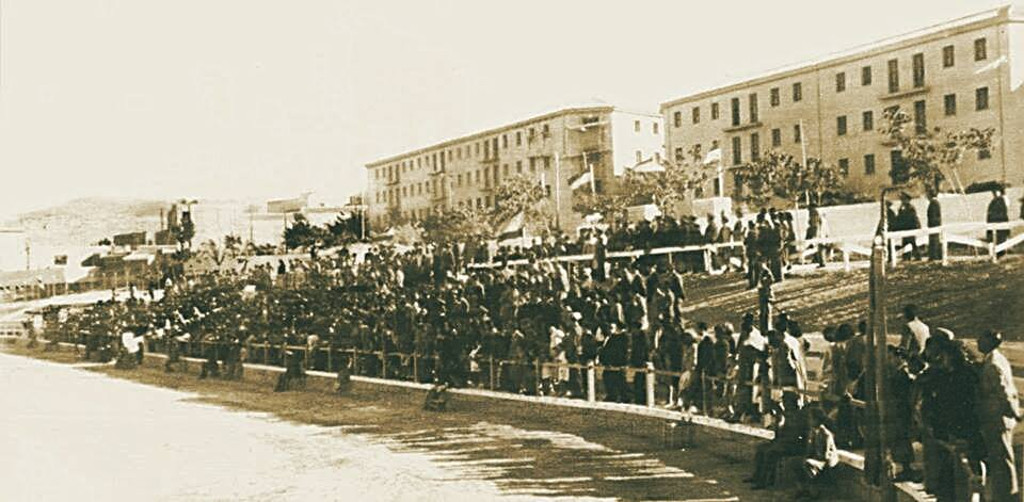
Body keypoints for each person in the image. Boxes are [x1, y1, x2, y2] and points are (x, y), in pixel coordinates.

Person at [976, 330, 1020, 502]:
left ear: (989, 342)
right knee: (1000, 459)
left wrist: (1013, 413)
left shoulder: (993, 363)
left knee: (1002, 459)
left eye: (981, 339)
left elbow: (1004, 392)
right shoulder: (994, 359)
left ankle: (1008, 496)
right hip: (996, 416)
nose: (978, 342)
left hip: (998, 417)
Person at [987, 189, 1010, 257]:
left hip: (1000, 221)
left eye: (996, 192)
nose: (994, 193)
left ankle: (999, 253)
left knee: (1000, 238)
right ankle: (994, 254)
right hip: (994, 222)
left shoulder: (1002, 200)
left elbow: (1005, 209)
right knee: (994, 238)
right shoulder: (994, 201)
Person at [926, 192, 943, 261]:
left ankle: (934, 256)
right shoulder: (935, 203)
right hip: (934, 224)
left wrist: (932, 224)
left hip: (934, 225)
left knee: (934, 240)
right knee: (934, 240)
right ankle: (936, 255)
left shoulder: (933, 203)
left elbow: (933, 215)